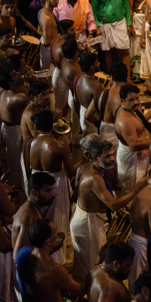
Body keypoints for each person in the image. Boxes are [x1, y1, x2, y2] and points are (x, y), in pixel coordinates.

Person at [72, 134, 147, 281]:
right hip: (87, 222)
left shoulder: (98, 169)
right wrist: (137, 188)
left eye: (112, 154)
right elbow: (113, 204)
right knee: (90, 266)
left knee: (94, 260)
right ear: (94, 156)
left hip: (93, 219)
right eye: (107, 156)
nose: (112, 159)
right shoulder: (93, 176)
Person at [26, 110, 73, 259]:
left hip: (36, 182)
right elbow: (71, 171)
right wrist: (85, 160)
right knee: (57, 220)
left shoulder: (30, 143)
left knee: (39, 219)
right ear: (52, 125)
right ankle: (56, 259)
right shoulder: (59, 145)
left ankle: (40, 253)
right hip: (55, 184)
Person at [16, 219, 84, 302]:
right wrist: (96, 270)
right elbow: (79, 291)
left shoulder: (23, 253)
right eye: (55, 232)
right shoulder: (55, 270)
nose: (57, 233)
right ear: (48, 241)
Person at [91, 0, 133, 79]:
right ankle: (111, 79)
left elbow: (126, 4)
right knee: (107, 52)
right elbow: (94, 9)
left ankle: (128, 79)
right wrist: (97, 26)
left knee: (124, 51)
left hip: (120, 21)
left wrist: (129, 23)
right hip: (104, 23)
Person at [115, 84, 151, 192]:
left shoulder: (133, 108)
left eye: (137, 98)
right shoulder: (125, 120)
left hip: (141, 153)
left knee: (142, 185)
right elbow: (134, 145)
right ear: (122, 100)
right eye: (131, 100)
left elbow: (140, 122)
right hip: (131, 157)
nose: (136, 102)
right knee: (132, 189)